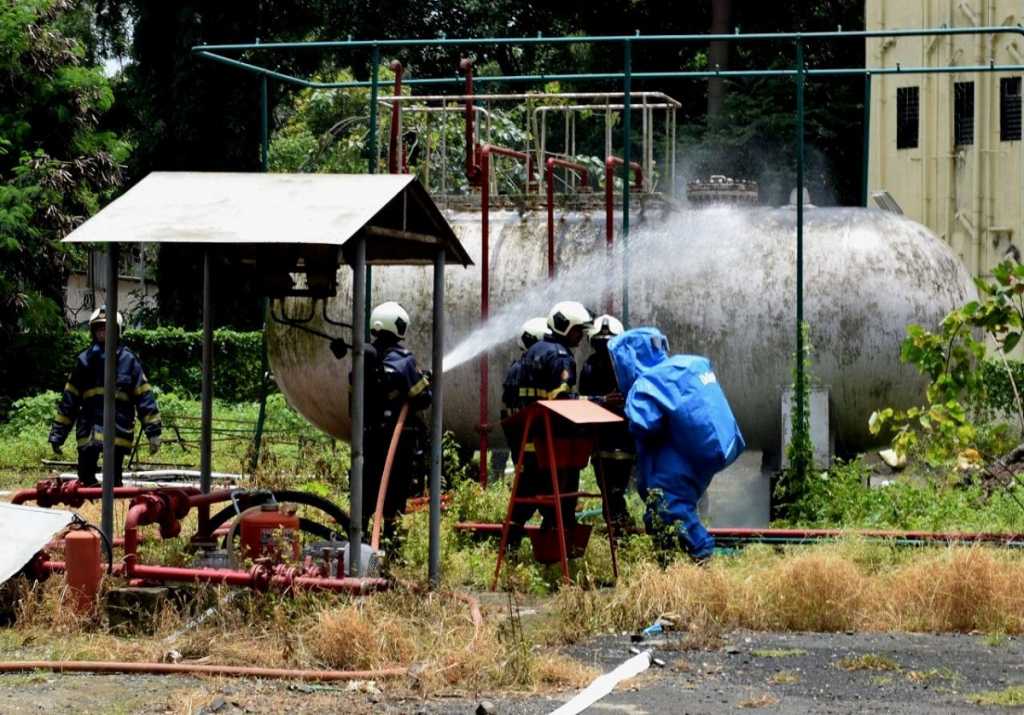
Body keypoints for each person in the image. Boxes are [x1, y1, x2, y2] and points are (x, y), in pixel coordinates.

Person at [608, 327, 745, 562]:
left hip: (673, 466)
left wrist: (627, 411)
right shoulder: (684, 367)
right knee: (660, 517)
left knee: (672, 511)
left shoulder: (646, 384)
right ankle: (668, 567)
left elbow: (644, 425)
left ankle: (705, 565)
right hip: (699, 456)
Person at [48, 306, 162, 487]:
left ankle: (112, 502)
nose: (103, 332)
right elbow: (69, 401)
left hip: (118, 431)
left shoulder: (129, 361)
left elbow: (144, 397)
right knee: (85, 479)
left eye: (107, 328)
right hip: (89, 430)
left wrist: (153, 433)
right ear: (93, 331)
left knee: (113, 482)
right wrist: (57, 435)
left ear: (117, 331)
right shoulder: (84, 361)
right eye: (99, 328)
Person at [354, 301, 432, 543]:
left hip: (367, 436)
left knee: (367, 485)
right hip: (398, 440)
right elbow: (423, 398)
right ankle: (391, 539)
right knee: (396, 488)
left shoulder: (361, 359)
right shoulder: (403, 360)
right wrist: (426, 381)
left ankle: (361, 535)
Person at [514, 301, 593, 529]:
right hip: (553, 443)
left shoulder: (533, 351)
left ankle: (511, 543)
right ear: (564, 327)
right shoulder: (561, 357)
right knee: (561, 502)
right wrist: (598, 401)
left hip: (531, 440)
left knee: (524, 500)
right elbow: (562, 401)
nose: (580, 336)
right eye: (577, 330)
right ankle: (557, 545)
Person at [579, 314, 634, 529]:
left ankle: (619, 528)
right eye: (600, 343)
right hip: (604, 438)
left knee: (614, 491)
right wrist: (603, 401)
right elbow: (582, 400)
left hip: (620, 437)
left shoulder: (622, 366)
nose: (604, 347)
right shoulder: (593, 366)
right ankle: (619, 528)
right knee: (610, 492)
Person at [500, 317, 548, 546]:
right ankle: (518, 547)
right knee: (533, 497)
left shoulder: (516, 369)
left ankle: (513, 547)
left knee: (526, 498)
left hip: (524, 446)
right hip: (532, 446)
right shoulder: (527, 371)